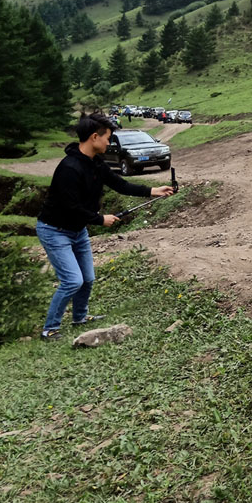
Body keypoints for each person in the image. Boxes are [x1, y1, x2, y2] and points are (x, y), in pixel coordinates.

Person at [37, 112, 174, 340]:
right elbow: (70, 206)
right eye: (107, 138)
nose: (109, 142)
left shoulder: (95, 163)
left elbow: (120, 184)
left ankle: (80, 317)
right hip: (55, 230)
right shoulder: (69, 168)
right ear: (94, 137)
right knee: (73, 280)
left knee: (88, 278)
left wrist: (152, 191)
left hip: (78, 230)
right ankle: (49, 329)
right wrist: (100, 219)